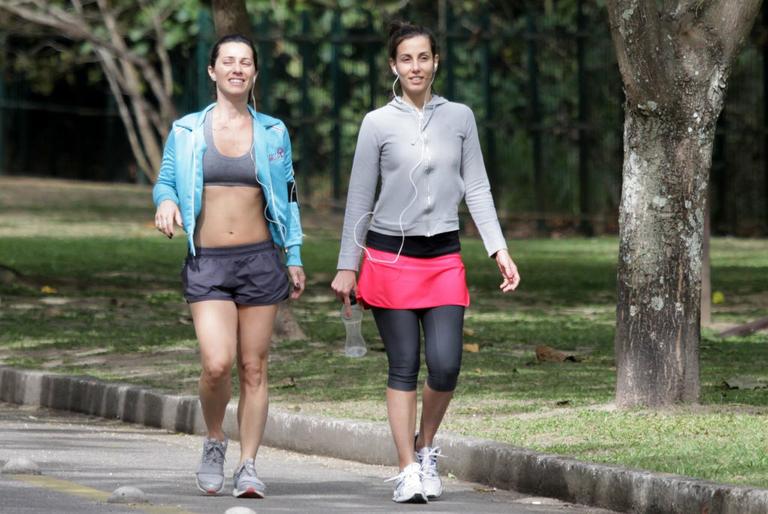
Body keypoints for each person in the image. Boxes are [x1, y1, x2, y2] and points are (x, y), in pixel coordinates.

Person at [331, 21, 520, 504]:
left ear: (437, 62)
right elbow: (359, 198)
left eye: (424, 57)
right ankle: (406, 469)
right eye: (406, 59)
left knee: (445, 365)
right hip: (389, 258)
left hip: (443, 258)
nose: (416, 66)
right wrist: (347, 265)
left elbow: (476, 186)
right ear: (393, 66)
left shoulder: (459, 117)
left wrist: (498, 249)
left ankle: (426, 445)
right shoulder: (377, 123)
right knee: (404, 364)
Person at [152, 34, 305, 499]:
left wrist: (293, 256)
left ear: (254, 73)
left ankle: (249, 465)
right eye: (228, 62)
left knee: (254, 367)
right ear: (212, 72)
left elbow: (290, 197)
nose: (237, 69)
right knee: (217, 364)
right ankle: (216, 439)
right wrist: (165, 202)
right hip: (209, 262)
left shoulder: (274, 132)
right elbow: (165, 180)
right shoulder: (186, 130)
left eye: (246, 63)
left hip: (261, 260)